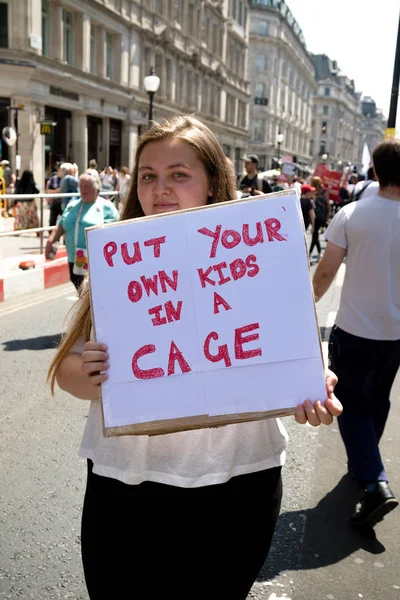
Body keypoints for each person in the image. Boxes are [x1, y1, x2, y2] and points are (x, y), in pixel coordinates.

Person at [47, 115, 342, 600]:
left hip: (239, 483)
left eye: (178, 174)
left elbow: (296, 354)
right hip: (128, 485)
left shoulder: (260, 252)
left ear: (211, 184)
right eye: (148, 175)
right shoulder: (115, 262)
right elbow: (67, 370)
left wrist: (314, 386)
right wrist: (93, 374)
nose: (160, 188)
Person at [312, 138, 400, 528]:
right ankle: (365, 462)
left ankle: (373, 480)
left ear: (376, 172)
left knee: (349, 401)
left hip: (355, 328)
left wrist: (307, 303)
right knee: (378, 398)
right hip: (395, 333)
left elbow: (327, 270)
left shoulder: (352, 213)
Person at [45, 173, 119, 291]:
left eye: (87, 186)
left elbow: (118, 234)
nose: (83, 189)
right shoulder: (72, 205)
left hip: (96, 263)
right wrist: (50, 242)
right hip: (74, 260)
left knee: (92, 295)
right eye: (81, 186)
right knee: (80, 289)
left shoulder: (107, 208)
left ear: (96, 188)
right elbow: (60, 226)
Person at [309, 176, 331, 259]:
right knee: (315, 235)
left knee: (315, 234)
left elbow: (328, 204)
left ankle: (310, 253)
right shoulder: (313, 191)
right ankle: (318, 253)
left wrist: (328, 215)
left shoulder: (324, 191)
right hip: (315, 216)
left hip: (321, 216)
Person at [46, 163, 63, 227]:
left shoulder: (67, 179)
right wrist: (58, 191)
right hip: (55, 201)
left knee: (65, 220)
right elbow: (49, 191)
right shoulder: (53, 179)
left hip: (64, 202)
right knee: (52, 221)